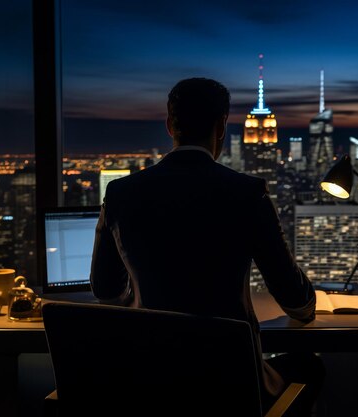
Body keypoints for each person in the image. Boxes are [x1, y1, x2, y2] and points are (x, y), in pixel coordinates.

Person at [90, 77, 324, 415]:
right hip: (232, 385)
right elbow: (292, 296)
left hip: (154, 383)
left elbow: (106, 292)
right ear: (221, 128)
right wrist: (308, 307)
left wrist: (149, 301)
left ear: (170, 125)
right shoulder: (247, 193)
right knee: (310, 366)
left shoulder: (121, 193)